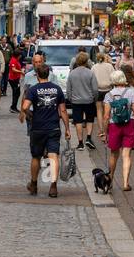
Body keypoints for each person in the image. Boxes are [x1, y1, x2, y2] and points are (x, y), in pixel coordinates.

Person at [21, 70, 71, 199]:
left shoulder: (33, 89)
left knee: (36, 156)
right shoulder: (57, 89)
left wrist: (30, 115)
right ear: (48, 74)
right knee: (53, 156)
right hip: (53, 127)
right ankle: (53, 186)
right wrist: (67, 128)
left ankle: (34, 184)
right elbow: (63, 110)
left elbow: (25, 106)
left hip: (38, 128)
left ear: (37, 75)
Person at [104, 69, 134, 191]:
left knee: (114, 154)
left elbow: (106, 116)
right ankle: (125, 183)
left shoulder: (109, 95)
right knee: (126, 154)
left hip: (114, 126)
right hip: (129, 124)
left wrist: (105, 131)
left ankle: (110, 179)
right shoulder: (131, 92)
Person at [66, 50, 98, 151]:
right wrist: (94, 98)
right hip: (89, 100)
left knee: (78, 121)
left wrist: (71, 98)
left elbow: (68, 89)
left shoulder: (72, 74)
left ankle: (80, 143)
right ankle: (88, 137)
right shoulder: (90, 73)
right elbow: (95, 89)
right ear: (86, 61)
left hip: (76, 101)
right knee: (89, 119)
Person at [92, 53, 115, 136]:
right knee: (108, 110)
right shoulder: (109, 66)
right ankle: (108, 128)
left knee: (99, 110)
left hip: (98, 90)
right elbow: (113, 77)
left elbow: (92, 79)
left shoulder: (94, 67)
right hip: (108, 90)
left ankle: (101, 130)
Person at [7, 47, 24, 111]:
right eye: (20, 55)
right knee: (16, 93)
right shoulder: (13, 60)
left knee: (17, 93)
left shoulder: (16, 60)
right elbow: (13, 69)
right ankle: (13, 107)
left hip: (16, 78)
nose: (21, 56)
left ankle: (14, 106)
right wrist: (21, 72)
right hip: (13, 79)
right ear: (18, 55)